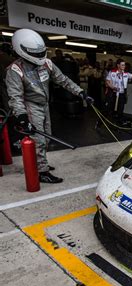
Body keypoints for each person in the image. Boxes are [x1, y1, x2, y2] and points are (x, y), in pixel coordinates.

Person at [5, 29, 93, 183]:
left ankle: (39, 163)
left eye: (40, 52)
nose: (39, 56)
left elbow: (63, 80)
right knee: (38, 139)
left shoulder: (47, 63)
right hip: (30, 105)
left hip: (44, 104)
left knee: (46, 137)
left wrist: (81, 93)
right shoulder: (15, 70)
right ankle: (42, 171)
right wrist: (22, 117)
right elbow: (15, 97)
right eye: (35, 53)